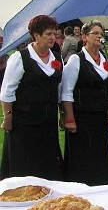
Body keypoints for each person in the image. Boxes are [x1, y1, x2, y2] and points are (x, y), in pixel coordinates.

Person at [0, 15, 64, 180]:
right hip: (24, 123)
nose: (53, 38)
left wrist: (63, 114)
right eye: (48, 34)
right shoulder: (19, 58)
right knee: (24, 166)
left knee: (46, 166)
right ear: (36, 35)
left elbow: (59, 88)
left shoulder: (57, 58)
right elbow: (7, 91)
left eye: (54, 34)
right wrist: (8, 118)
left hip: (48, 123)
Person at [60, 20, 108, 185]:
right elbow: (66, 91)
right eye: (96, 33)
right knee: (82, 156)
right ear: (84, 37)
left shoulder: (105, 59)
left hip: (99, 117)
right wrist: (69, 119)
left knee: (99, 154)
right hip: (81, 116)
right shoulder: (76, 60)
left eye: (102, 34)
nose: (100, 36)